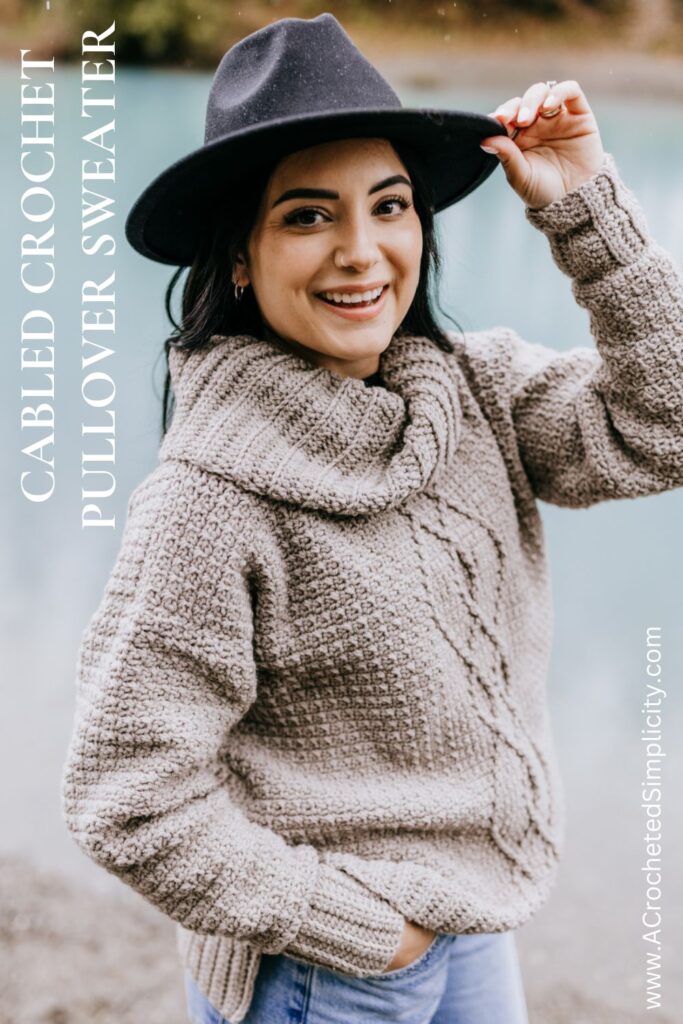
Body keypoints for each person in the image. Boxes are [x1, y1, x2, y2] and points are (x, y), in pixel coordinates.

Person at [60, 12, 683, 1024]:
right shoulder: (207, 500)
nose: (360, 251)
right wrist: (361, 931)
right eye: (308, 216)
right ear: (237, 258)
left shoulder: (474, 390)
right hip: (326, 969)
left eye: (387, 205)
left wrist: (584, 211)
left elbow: (664, 424)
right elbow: (126, 795)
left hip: (472, 917)